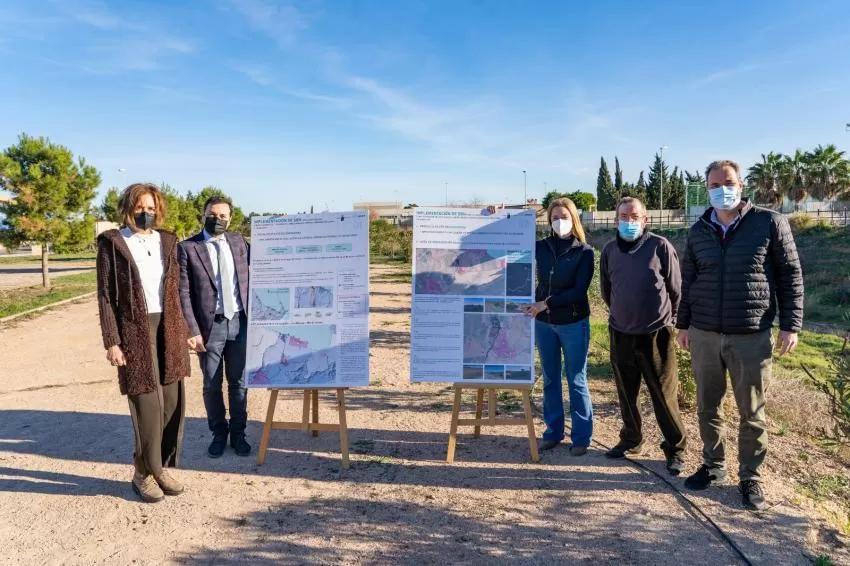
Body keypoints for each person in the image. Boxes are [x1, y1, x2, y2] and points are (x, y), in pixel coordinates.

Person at [677, 160, 804, 510]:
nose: (722, 190)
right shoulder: (699, 230)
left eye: (728, 182)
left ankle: (751, 476)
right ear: (707, 189)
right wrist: (683, 324)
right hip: (704, 333)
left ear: (741, 184)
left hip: (750, 334)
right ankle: (713, 465)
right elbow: (689, 281)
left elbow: (790, 275)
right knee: (707, 405)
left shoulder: (769, 222)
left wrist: (791, 324)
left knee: (752, 411)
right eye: (715, 185)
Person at [96, 183, 190, 503]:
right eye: (139, 207)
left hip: (169, 328)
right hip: (135, 332)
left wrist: (186, 329)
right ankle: (144, 474)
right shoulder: (112, 244)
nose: (145, 213)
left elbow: (178, 290)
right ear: (127, 208)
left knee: (171, 404)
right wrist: (112, 341)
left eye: (151, 208)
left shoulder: (168, 241)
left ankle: (156, 468)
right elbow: (105, 296)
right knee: (148, 407)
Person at [600, 197, 686, 475]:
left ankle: (675, 448)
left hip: (656, 334)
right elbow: (607, 290)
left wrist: (672, 323)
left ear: (645, 219)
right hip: (621, 332)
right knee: (627, 392)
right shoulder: (609, 250)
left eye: (634, 216)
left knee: (663, 394)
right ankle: (631, 438)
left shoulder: (660, 246)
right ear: (616, 220)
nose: (629, 221)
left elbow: (676, 290)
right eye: (624, 217)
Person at [178, 196, 251, 458]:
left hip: (239, 322)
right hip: (209, 328)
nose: (217, 219)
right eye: (212, 214)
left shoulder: (239, 242)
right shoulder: (187, 248)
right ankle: (219, 434)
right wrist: (192, 330)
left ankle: (239, 434)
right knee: (211, 384)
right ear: (203, 215)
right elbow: (183, 292)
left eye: (223, 216)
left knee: (238, 382)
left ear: (230, 219)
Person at [526, 198, 595, 455]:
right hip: (544, 325)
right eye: (555, 217)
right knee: (550, 378)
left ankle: (581, 437)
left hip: (573, 323)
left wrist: (546, 303)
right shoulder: (541, 247)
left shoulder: (584, 252)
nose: (559, 222)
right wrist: (495, 215)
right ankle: (553, 431)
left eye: (564, 217)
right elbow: (510, 243)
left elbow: (578, 291)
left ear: (573, 219)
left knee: (576, 379)